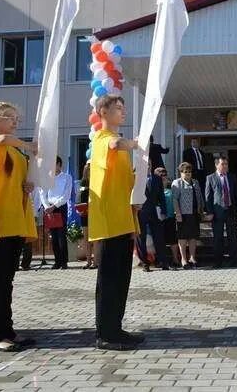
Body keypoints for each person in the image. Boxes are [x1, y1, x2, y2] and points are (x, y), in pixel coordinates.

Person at [0, 101, 38, 351]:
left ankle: (8, 331)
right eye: (9, 117)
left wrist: (27, 186)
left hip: (16, 221)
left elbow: (17, 179)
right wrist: (28, 145)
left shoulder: (16, 152)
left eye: (17, 118)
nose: (15, 122)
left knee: (7, 281)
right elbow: (2, 141)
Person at [88, 95, 144, 351]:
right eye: (118, 108)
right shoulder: (101, 139)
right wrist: (135, 144)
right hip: (109, 223)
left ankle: (116, 328)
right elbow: (114, 144)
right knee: (109, 280)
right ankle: (105, 334)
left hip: (124, 222)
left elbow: (125, 183)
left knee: (122, 280)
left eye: (124, 108)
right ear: (103, 112)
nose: (123, 112)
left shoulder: (121, 149)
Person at [205, 156, 237, 268]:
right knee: (218, 238)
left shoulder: (232, 177)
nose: (225, 166)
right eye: (222, 164)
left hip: (230, 210)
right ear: (216, 165)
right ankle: (218, 262)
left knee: (232, 237)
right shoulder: (210, 178)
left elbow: (236, 195)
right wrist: (209, 212)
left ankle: (233, 261)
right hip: (217, 212)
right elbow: (208, 197)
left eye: (226, 164)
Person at [40, 156, 73, 270]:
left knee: (61, 236)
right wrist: (47, 206)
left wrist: (54, 206)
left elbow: (66, 195)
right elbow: (42, 193)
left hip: (60, 207)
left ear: (59, 165)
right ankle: (57, 261)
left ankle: (64, 262)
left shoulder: (67, 177)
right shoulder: (47, 178)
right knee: (53, 236)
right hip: (49, 208)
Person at [172, 162, 204, 270]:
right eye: (185, 172)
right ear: (181, 173)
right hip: (183, 214)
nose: (188, 174)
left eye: (189, 172)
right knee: (183, 237)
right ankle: (183, 259)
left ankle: (192, 257)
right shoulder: (177, 183)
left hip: (194, 213)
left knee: (193, 237)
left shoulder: (195, 182)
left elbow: (199, 197)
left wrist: (201, 210)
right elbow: (175, 199)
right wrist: (178, 213)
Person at [137, 162, 168, 272]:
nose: (147, 166)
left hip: (155, 212)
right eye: (145, 164)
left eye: (149, 164)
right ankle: (145, 263)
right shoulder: (137, 178)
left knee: (159, 237)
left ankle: (163, 262)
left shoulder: (157, 178)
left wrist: (164, 210)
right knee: (142, 238)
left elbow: (161, 196)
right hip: (141, 212)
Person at [78, 161, 96, 269]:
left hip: (94, 213)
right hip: (84, 213)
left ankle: (95, 262)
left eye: (91, 169)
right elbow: (80, 198)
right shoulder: (83, 183)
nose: (89, 171)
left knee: (94, 239)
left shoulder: (97, 182)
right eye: (88, 169)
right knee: (86, 239)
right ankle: (88, 261)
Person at [161, 172, 178, 268]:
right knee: (161, 240)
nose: (163, 181)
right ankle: (163, 260)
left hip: (170, 218)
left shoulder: (170, 191)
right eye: (161, 179)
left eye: (164, 179)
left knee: (172, 240)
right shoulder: (155, 191)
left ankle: (175, 259)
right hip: (159, 219)